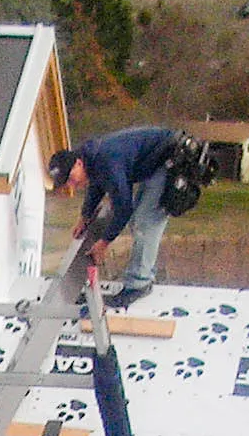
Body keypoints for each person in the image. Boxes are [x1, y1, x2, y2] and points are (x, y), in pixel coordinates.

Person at [49, 126, 182, 307]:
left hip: (169, 159)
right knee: (138, 221)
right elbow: (96, 186)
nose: (73, 184)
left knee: (144, 223)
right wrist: (85, 216)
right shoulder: (90, 158)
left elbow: (123, 209)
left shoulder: (107, 160)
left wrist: (104, 243)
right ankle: (144, 273)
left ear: (78, 163)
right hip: (156, 160)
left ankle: (139, 284)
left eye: (71, 178)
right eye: (67, 182)